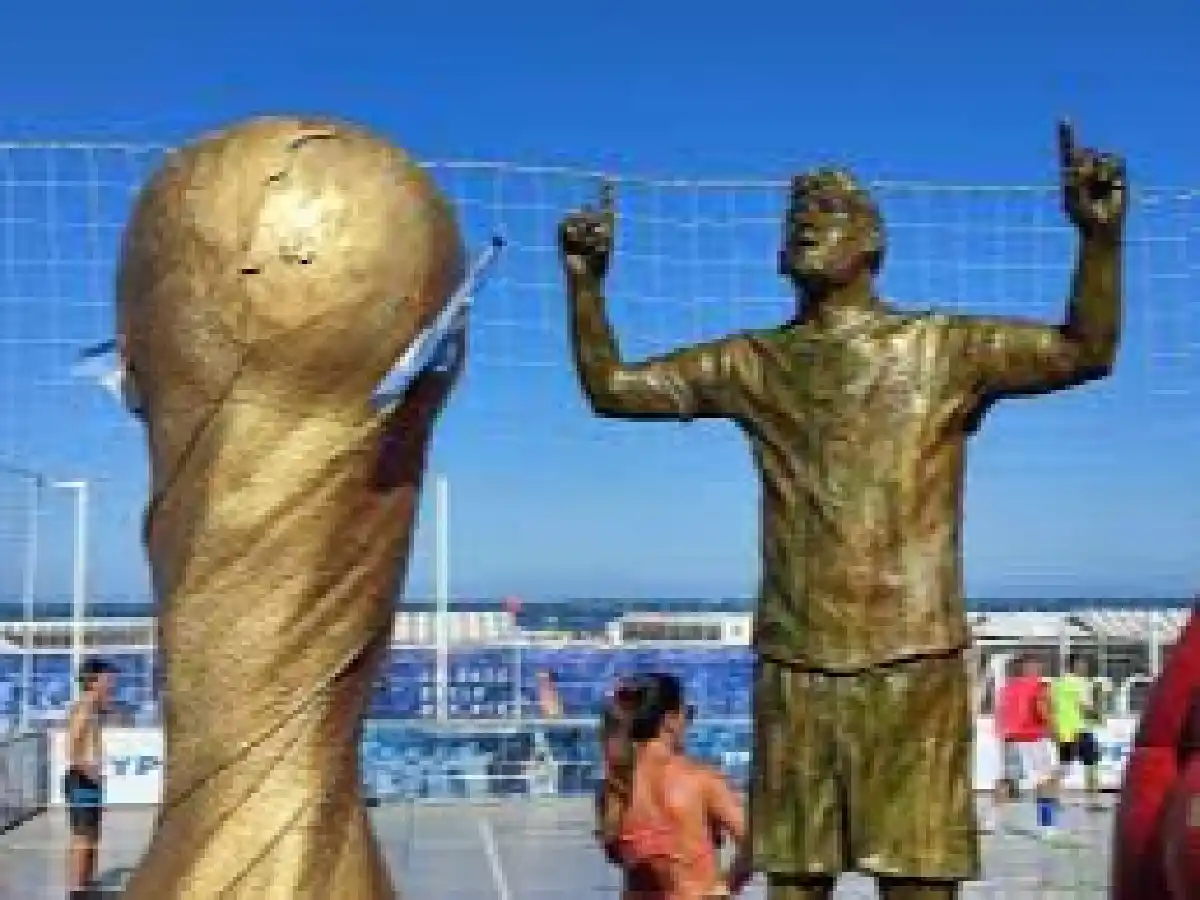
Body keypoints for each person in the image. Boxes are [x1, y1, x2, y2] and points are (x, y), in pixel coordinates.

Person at [560, 121, 1125, 899]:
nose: (805, 225)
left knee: (919, 880)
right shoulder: (751, 362)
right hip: (797, 660)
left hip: (914, 655)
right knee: (795, 880)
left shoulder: (942, 347)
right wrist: (585, 286)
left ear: (872, 242)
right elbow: (613, 390)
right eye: (795, 219)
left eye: (826, 215)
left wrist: (1099, 242)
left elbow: (1083, 351)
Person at [597, 673, 752, 899]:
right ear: (670, 720)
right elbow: (752, 844)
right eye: (687, 714)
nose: (687, 724)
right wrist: (726, 887)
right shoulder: (701, 780)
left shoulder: (614, 786)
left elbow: (616, 854)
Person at [64, 658, 114, 897]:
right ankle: (77, 890)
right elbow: (71, 747)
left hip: (90, 778)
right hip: (81, 778)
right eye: (106, 677)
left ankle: (86, 885)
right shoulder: (83, 707)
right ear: (93, 680)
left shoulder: (94, 706)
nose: (111, 681)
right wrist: (87, 769)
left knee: (92, 837)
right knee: (83, 838)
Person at [996, 657, 1057, 833]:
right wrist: (1052, 729)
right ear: (1032, 668)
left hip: (1011, 737)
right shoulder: (1040, 686)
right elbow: (1042, 709)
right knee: (1045, 780)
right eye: (1038, 665)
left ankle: (992, 820)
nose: (1040, 668)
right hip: (1034, 738)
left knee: (1007, 780)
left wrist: (1002, 733)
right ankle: (1047, 826)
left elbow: (1002, 712)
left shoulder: (1007, 687)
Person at [1051, 654, 1105, 812]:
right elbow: (1086, 707)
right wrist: (1099, 710)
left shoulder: (1058, 683)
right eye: (1082, 664)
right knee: (1092, 765)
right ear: (1073, 666)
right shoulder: (1080, 684)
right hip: (1080, 729)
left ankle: (1051, 797)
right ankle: (1094, 802)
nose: (1084, 667)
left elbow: (1053, 706)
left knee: (1064, 767)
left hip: (1065, 730)